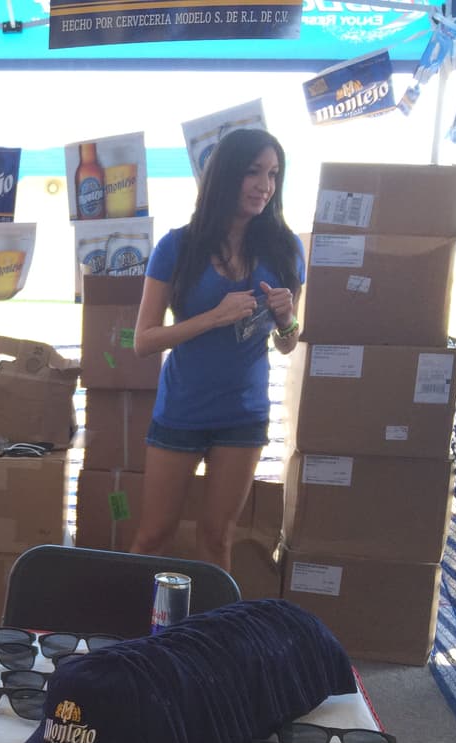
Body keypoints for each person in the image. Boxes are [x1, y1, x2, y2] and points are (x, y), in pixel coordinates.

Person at [128, 128, 305, 573]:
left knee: (217, 537)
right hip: (182, 410)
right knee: (153, 536)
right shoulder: (178, 246)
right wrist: (213, 317)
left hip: (243, 413)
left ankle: (215, 623)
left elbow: (287, 344)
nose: (264, 185)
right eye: (253, 172)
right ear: (226, 175)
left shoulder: (285, 249)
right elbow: (143, 340)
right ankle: (130, 618)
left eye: (273, 174)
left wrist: (287, 318)